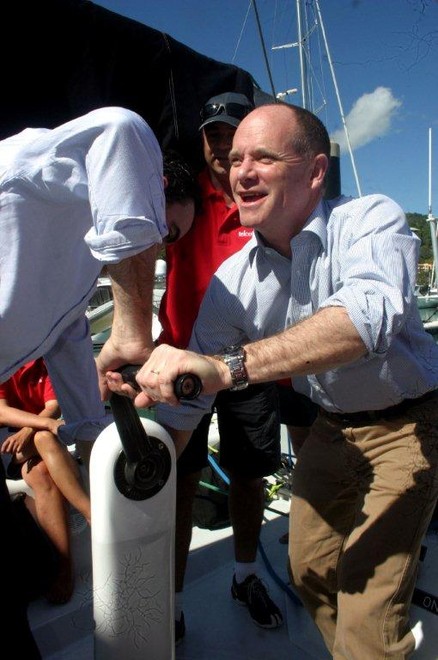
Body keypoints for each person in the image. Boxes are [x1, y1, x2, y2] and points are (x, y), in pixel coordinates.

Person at [109, 102, 438, 658]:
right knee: (307, 568)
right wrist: (153, 465)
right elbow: (191, 402)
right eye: (236, 159)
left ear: (314, 171)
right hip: (334, 428)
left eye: (262, 156)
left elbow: (368, 317)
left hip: (408, 424)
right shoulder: (233, 281)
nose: (241, 171)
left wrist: (227, 368)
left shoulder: (369, 220)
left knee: (366, 599)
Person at [159, 92, 311, 642]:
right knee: (181, 481)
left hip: (246, 363)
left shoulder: (268, 203)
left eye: (232, 137)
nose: (223, 151)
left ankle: (245, 575)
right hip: (181, 361)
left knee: (250, 475)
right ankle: (171, 601)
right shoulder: (178, 195)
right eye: (213, 139)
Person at [0, 106, 198, 446]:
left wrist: (90, 424)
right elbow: (121, 129)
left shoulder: (82, 256)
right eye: (166, 232)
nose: (158, 246)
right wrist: (132, 333)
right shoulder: (38, 162)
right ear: (152, 185)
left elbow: (66, 332)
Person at [0, 357, 92, 603]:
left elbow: (53, 406)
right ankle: (91, 513)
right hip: (18, 447)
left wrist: (31, 428)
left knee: (41, 465)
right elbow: (1, 411)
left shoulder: (47, 361)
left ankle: (63, 567)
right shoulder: (6, 363)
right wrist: (42, 424)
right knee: (42, 439)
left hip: (44, 441)